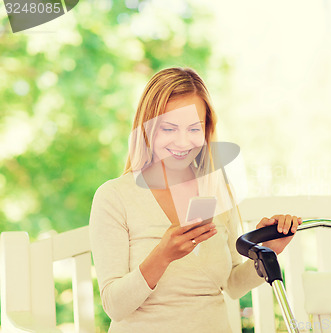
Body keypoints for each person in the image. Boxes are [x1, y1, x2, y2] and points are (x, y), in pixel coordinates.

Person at [89, 67, 301, 333]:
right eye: (169, 128)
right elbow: (114, 306)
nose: (182, 141)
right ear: (147, 128)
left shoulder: (217, 190)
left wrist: (269, 249)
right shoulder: (115, 196)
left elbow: (232, 284)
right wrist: (162, 255)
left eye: (193, 128)